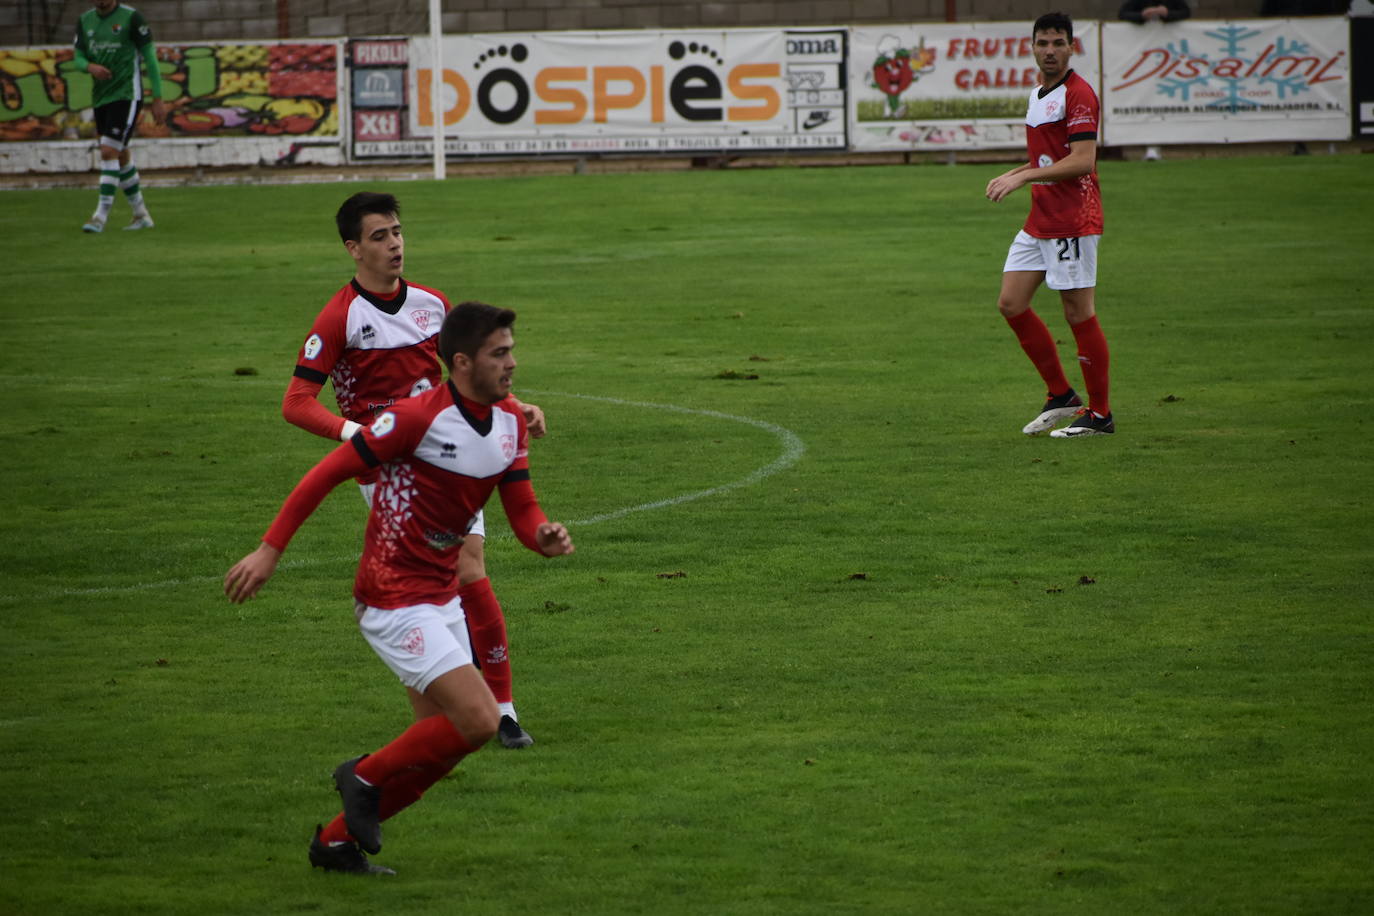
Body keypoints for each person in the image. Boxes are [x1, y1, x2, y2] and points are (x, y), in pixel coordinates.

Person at [226, 301, 575, 875]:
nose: (512, 363)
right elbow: (327, 473)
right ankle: (360, 776)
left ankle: (335, 845)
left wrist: (543, 537)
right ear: (462, 362)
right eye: (499, 353)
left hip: (440, 596)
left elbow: (522, 508)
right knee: (479, 720)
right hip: (392, 597)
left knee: (441, 744)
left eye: (511, 350)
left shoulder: (511, 422)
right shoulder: (414, 419)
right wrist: (270, 549)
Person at [283, 191, 544, 750]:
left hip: (451, 453)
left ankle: (502, 709)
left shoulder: (432, 304)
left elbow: (466, 377)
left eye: (397, 232)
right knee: (432, 587)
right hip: (388, 473)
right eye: (379, 237)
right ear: (354, 249)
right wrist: (355, 435)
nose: (394, 244)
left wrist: (513, 404)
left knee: (468, 568)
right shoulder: (340, 317)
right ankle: (451, 710)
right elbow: (297, 402)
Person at [986, 11, 1114, 438]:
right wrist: (1017, 172)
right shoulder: (1039, 92)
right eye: (1043, 43)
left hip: (1073, 218)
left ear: (1072, 47)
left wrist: (1024, 177)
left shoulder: (1079, 94)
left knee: (1078, 312)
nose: (1050, 51)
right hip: (1041, 218)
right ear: (1033, 47)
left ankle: (1100, 415)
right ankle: (1061, 395)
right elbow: (1047, 158)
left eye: (1059, 43)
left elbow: (1082, 161)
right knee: (1011, 303)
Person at [72, 0, 166, 233]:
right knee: (120, 154)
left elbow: (150, 58)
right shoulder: (85, 21)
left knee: (108, 151)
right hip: (101, 97)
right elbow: (78, 58)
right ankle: (141, 215)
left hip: (127, 94)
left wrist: (158, 97)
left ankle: (99, 217)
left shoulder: (132, 18)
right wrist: (90, 67)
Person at [1118, 0, 1191, 160]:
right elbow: (1123, 13)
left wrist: (1167, 14)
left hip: (1171, 56)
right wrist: (1142, 15)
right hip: (1142, 56)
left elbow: (1186, 12)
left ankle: (1157, 144)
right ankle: (1149, 144)